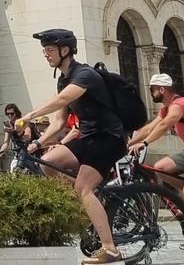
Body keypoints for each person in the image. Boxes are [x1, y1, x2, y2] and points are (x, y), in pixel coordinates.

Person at [13, 28, 124, 264]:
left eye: (50, 50)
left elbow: (62, 100)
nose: (46, 54)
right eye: (44, 50)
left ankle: (110, 249)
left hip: (109, 138)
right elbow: (61, 122)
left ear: (65, 51)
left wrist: (29, 115)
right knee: (49, 164)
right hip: (87, 137)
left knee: (83, 187)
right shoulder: (63, 80)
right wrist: (38, 142)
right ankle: (91, 206)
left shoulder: (85, 75)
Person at [125, 74, 184, 240]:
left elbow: (163, 125)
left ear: (162, 89)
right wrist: (128, 144)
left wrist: (144, 144)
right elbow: (149, 128)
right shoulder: (166, 109)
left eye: (152, 90)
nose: (151, 93)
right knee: (159, 169)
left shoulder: (179, 104)